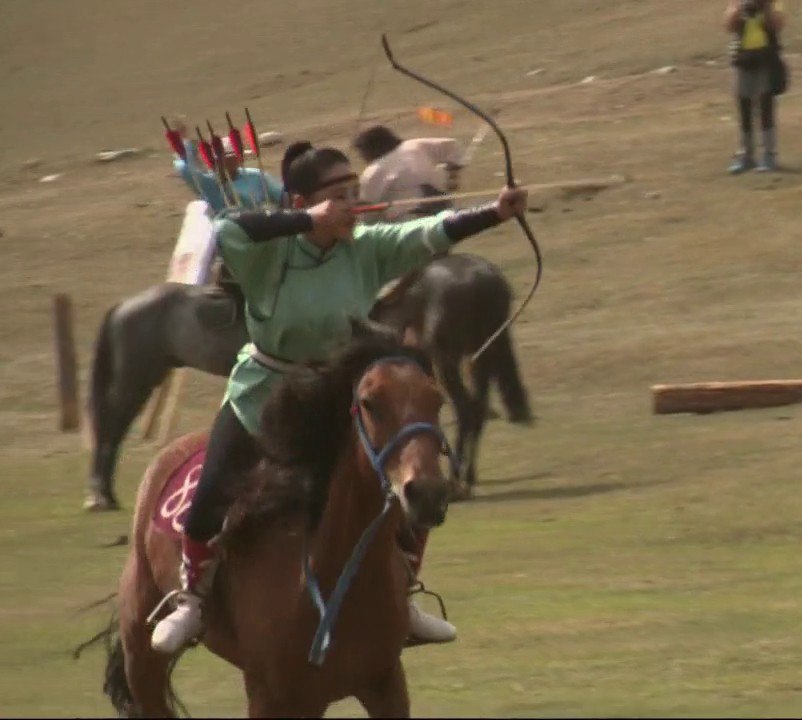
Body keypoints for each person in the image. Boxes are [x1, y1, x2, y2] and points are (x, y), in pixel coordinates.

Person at [149, 140, 528, 654]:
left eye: (354, 192)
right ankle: (192, 601)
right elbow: (229, 229)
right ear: (301, 202)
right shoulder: (269, 252)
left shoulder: (365, 247)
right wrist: (307, 223)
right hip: (264, 395)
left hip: (336, 397)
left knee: (410, 480)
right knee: (212, 491)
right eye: (340, 195)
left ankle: (403, 595)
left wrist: (495, 212)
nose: (354, 204)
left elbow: (427, 233)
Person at [353, 125, 466, 223]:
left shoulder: (373, 172)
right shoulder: (415, 145)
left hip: (410, 223)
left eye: (362, 152)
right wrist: (453, 175)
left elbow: (367, 214)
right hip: (445, 212)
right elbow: (452, 146)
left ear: (370, 149)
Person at [723, 0, 786, 174]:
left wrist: (765, 8)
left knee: (765, 106)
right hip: (742, 58)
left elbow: (778, 25)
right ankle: (746, 155)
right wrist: (739, 9)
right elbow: (728, 26)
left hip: (766, 57)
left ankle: (769, 155)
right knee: (744, 106)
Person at [170, 118, 284, 211]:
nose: (227, 161)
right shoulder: (208, 183)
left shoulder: (256, 176)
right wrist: (185, 144)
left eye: (231, 157)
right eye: (222, 158)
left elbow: (282, 196)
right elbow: (184, 169)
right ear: (214, 161)